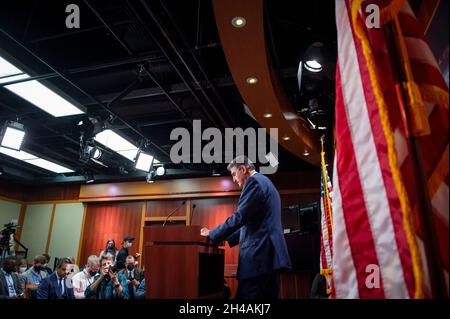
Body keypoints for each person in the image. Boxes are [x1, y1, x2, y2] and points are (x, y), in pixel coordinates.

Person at [200, 156, 291, 299]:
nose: (234, 180)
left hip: (258, 258)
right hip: (270, 258)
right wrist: (225, 238)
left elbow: (240, 217)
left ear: (243, 169)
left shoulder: (254, 183)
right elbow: (250, 222)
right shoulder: (266, 183)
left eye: (234, 174)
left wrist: (213, 233)